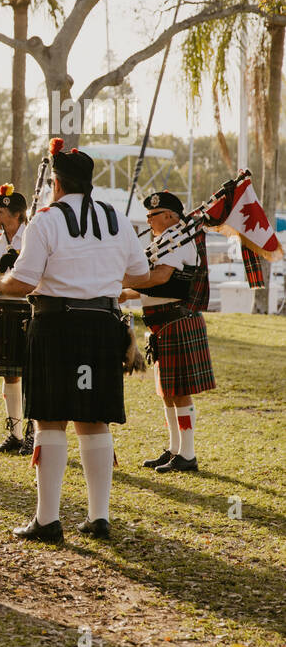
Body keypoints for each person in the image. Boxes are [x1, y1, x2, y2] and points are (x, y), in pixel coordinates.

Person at [0, 141, 151, 542]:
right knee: (94, 419)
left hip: (56, 325)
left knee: (50, 419)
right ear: (87, 181)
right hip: (103, 324)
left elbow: (21, 282)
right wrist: (100, 273)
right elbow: (140, 275)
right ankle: (99, 517)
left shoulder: (45, 221)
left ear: (56, 183)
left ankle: (47, 520)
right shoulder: (116, 218)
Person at [120, 190, 214, 473]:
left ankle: (188, 453)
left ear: (171, 216)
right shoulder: (165, 241)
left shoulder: (180, 241)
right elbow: (157, 286)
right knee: (168, 392)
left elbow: (161, 277)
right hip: (162, 323)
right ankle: (174, 449)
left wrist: (119, 277)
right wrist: (128, 292)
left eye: (153, 215)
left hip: (177, 321)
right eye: (148, 215)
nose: (148, 219)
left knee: (181, 391)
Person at [0, 184, 32, 455]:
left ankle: (34, 434)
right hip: (4, 313)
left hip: (30, 311)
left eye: (1, 212)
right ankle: (14, 434)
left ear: (17, 214)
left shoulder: (33, 238)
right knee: (9, 375)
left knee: (32, 373)